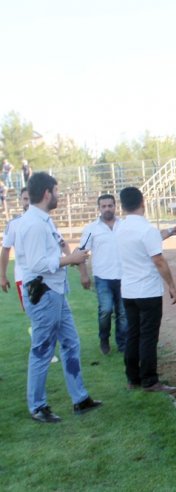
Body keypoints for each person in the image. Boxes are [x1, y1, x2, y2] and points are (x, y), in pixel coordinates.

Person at [13, 172, 102, 422]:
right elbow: (36, 263)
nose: (59, 195)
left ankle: (80, 399)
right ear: (47, 193)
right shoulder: (32, 223)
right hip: (44, 295)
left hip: (55, 293)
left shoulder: (43, 220)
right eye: (57, 190)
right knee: (42, 350)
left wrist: (72, 258)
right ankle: (38, 406)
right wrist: (70, 260)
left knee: (71, 343)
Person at [116, 186, 176, 393]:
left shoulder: (120, 228)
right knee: (148, 336)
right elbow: (159, 260)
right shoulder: (146, 229)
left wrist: (169, 232)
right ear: (143, 202)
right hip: (147, 291)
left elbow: (147, 242)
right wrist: (171, 284)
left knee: (133, 334)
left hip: (129, 290)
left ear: (123, 205)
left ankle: (132, 376)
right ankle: (150, 379)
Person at [79, 194, 128, 354]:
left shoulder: (124, 225)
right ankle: (104, 339)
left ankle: (122, 344)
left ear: (115, 206)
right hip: (103, 277)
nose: (107, 209)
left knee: (122, 313)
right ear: (99, 208)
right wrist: (84, 275)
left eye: (110, 205)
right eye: (104, 206)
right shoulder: (91, 229)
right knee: (106, 310)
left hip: (124, 276)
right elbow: (82, 253)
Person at [1, 187, 30, 309]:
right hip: (23, 276)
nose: (28, 202)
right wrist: (2, 276)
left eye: (31, 199)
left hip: (46, 275)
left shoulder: (46, 221)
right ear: (21, 201)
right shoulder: (14, 224)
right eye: (25, 199)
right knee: (32, 313)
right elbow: (5, 249)